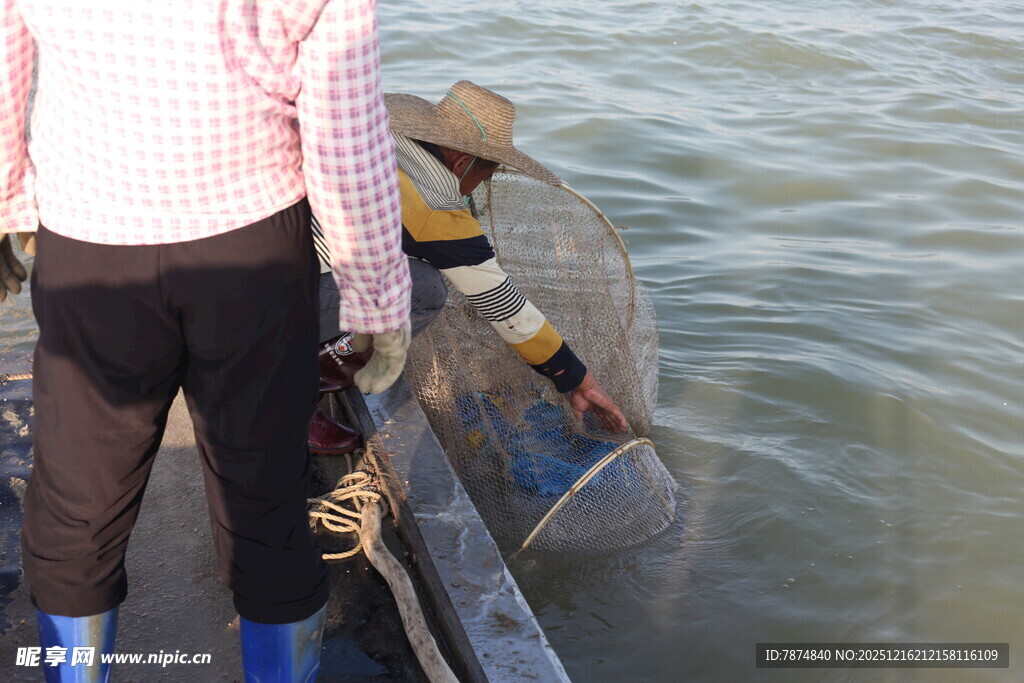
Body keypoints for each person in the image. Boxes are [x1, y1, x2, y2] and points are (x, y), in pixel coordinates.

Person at [1, 1, 410, 680]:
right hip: (251, 247)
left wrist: (9, 200)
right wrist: (376, 296)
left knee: (77, 506)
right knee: (264, 501)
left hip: (91, 243)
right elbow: (347, 132)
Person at [309, 80, 627, 456]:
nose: (472, 191)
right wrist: (578, 380)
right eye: (483, 177)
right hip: (261, 299)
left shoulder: (376, 132)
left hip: (241, 253)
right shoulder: (434, 205)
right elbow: (503, 305)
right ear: (462, 163)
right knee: (424, 288)